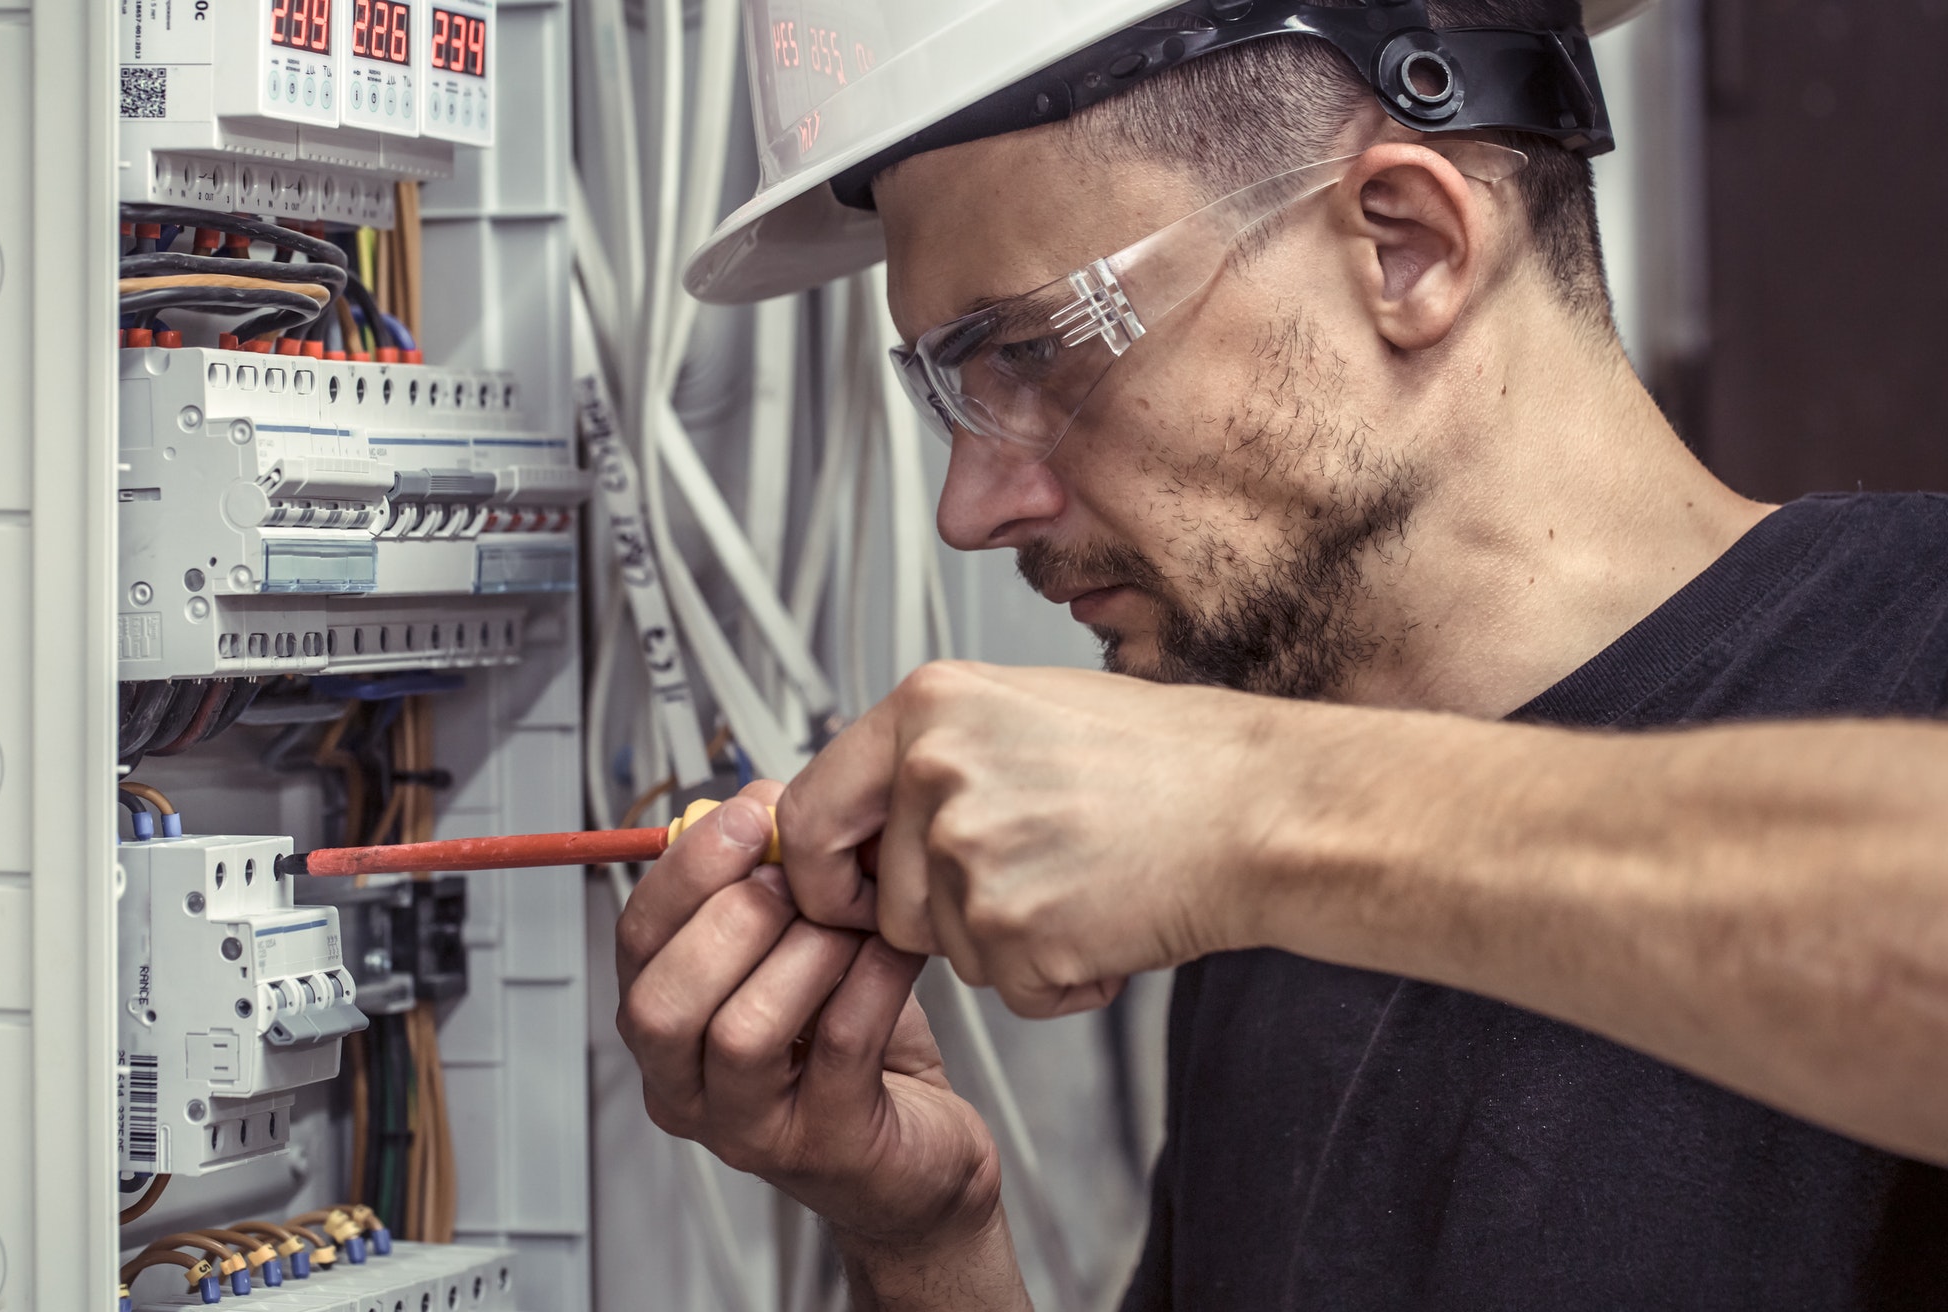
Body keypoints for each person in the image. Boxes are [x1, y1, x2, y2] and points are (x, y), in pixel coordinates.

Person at [619, 0, 1948, 1306]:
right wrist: (928, 1241)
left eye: (1029, 349)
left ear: (1406, 247)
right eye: (955, 396)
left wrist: (1245, 814)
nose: (970, 512)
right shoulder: (1270, 812)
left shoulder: (1914, 642)